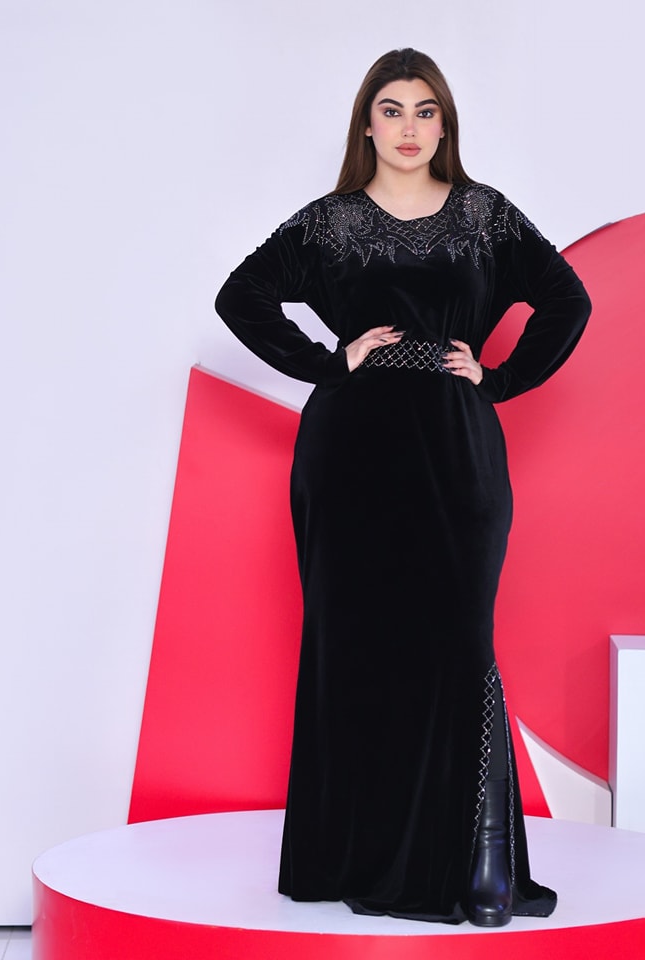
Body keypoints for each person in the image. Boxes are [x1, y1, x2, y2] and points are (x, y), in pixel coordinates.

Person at [215, 48, 591, 926]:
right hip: (351, 454)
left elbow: (567, 300)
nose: (410, 128)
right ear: (366, 125)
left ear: (445, 125)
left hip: (457, 449)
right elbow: (241, 296)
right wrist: (328, 361)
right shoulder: (333, 222)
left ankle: (472, 862)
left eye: (427, 111)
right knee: (355, 647)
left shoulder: (484, 215)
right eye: (392, 110)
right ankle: (354, 856)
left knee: (457, 638)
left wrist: (499, 379)